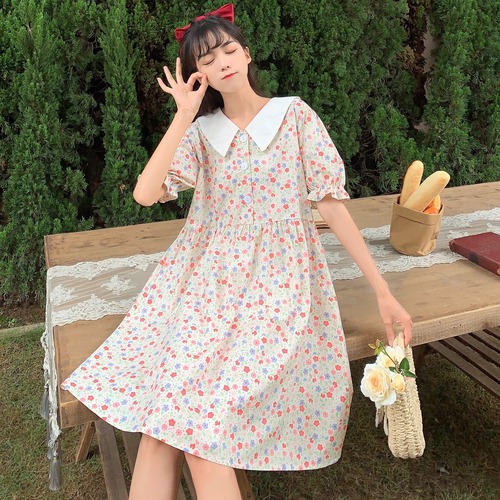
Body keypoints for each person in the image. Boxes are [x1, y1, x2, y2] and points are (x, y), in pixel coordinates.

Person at [61, 4, 412, 500]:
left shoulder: (293, 116)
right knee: (162, 426)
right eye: (206, 59)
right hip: (205, 289)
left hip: (277, 291)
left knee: (196, 439)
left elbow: (332, 207)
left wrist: (383, 292)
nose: (222, 61)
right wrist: (183, 116)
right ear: (198, 76)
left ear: (246, 53)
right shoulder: (201, 133)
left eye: (228, 49)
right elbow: (145, 193)